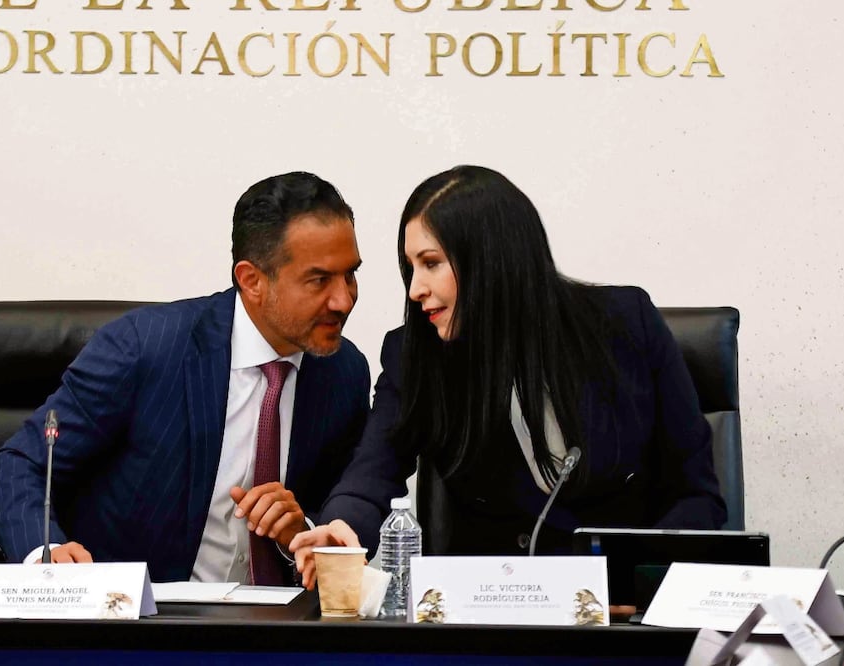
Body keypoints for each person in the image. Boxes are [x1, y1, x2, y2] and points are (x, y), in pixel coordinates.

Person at [291, 165, 726, 587]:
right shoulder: (416, 353)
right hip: (493, 620)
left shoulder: (627, 326)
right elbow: (373, 473)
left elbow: (695, 496)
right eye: (411, 268)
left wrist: (639, 584)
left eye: (431, 263)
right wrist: (340, 526)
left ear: (490, 259)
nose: (415, 289)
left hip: (620, 620)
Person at [0, 171, 370, 584]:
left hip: (280, 632)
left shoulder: (343, 372)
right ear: (252, 280)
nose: (344, 299)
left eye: (350, 274)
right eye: (319, 280)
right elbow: (18, 465)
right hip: (145, 627)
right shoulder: (145, 348)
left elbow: (339, 513)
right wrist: (47, 554)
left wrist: (302, 533)